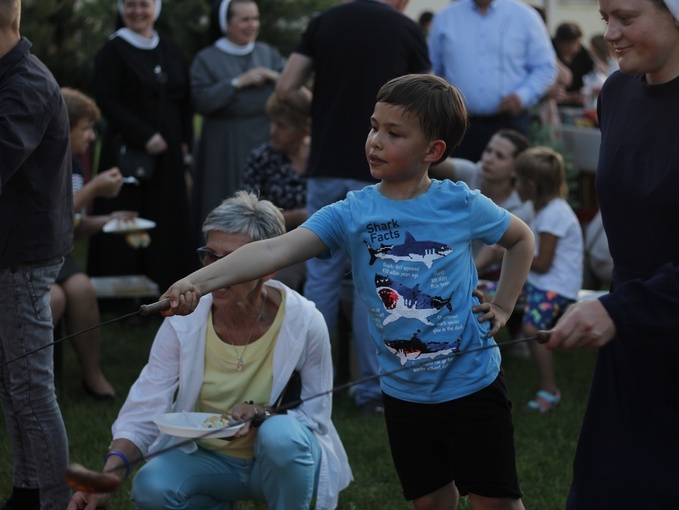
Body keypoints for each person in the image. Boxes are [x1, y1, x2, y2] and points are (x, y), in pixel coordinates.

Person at [163, 74, 535, 510]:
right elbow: (276, 249)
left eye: (394, 133)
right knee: (431, 500)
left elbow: (521, 239)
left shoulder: (461, 204)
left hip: (472, 386)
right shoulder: (352, 211)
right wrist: (197, 281)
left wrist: (505, 305)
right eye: (374, 126)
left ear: (432, 151)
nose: (375, 141)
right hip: (403, 393)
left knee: (496, 502)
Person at [543, 0, 679, 506]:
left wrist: (620, 310)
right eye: (605, 15)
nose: (610, 32)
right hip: (631, 335)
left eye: (626, 18)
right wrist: (619, 311)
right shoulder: (616, 93)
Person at [67, 191, 352, 510]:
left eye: (230, 261)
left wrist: (262, 415)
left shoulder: (305, 320)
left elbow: (316, 416)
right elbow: (145, 406)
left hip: (276, 464)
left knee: (282, 437)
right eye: (209, 255)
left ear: (268, 269)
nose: (214, 272)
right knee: (150, 487)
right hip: (208, 459)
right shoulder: (184, 322)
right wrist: (108, 477)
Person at [275, 0, 431, 415]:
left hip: (326, 164)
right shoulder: (404, 28)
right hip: (381, 169)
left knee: (321, 277)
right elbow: (430, 103)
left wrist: (325, 110)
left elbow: (286, 87)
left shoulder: (324, 22)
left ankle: (313, 391)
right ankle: (371, 394)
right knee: (377, 283)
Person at [0, 0, 74, 507]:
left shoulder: (25, 86)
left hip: (22, 257)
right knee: (5, 372)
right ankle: (28, 488)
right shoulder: (4, 76)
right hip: (5, 250)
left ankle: (53, 500)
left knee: (31, 387)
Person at [86, 0, 196, 293]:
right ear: (121, 9)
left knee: (166, 218)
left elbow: (184, 100)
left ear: (156, 8)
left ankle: (167, 287)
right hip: (127, 152)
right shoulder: (113, 50)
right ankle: (123, 295)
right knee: (128, 220)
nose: (137, 11)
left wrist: (185, 143)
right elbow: (107, 100)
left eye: (144, 4)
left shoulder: (170, 49)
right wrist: (144, 136)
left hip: (168, 153)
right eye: (130, 5)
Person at [55, 87, 138, 400]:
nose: (91, 137)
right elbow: (52, 214)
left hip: (57, 256)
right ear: (64, 126)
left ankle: (92, 374)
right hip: (25, 255)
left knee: (82, 289)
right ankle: (24, 380)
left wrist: (110, 220)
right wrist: (93, 190)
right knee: (55, 299)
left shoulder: (75, 165)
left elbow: (69, 224)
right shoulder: (40, 160)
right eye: (86, 128)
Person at [191, 0, 285, 231]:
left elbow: (289, 86)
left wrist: (272, 76)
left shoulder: (268, 54)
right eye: (245, 19)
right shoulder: (207, 58)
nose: (252, 25)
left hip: (265, 136)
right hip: (223, 144)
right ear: (226, 24)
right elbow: (200, 101)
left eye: (255, 18)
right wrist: (237, 83)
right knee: (224, 199)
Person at [427, 0, 557, 161]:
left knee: (511, 182)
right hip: (458, 123)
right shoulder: (446, 18)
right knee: (458, 181)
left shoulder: (526, 17)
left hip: (510, 122)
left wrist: (522, 96)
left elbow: (545, 67)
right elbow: (432, 70)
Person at [513, 147, 582, 411]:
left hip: (556, 287)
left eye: (516, 179)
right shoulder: (544, 209)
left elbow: (542, 264)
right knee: (486, 292)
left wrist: (511, 251)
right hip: (541, 283)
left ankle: (550, 389)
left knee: (533, 329)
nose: (514, 185)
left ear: (530, 185)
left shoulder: (554, 214)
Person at [242, 93, 309, 292]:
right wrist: (296, 216)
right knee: (283, 278)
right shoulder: (262, 158)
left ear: (303, 131)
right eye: (272, 123)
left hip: (324, 241)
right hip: (275, 243)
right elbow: (248, 212)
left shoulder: (322, 162)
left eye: (282, 126)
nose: (272, 132)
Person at [473, 129, 533, 281]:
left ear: (515, 170)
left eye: (499, 156)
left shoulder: (521, 208)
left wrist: (453, 279)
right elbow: (439, 163)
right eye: (488, 151)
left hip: (487, 277)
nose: (488, 159)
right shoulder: (473, 173)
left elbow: (491, 253)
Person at [552, 22, 597, 107]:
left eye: (576, 44)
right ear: (559, 43)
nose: (572, 48)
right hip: (557, 103)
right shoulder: (550, 52)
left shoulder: (582, 53)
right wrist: (569, 98)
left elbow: (592, 71)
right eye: (568, 45)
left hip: (579, 103)